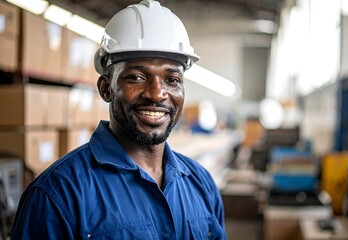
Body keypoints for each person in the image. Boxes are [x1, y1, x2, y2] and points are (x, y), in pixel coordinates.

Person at [11, 0, 227, 239]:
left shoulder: (201, 183)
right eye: (136, 77)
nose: (156, 94)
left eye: (172, 80)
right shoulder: (58, 194)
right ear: (106, 88)